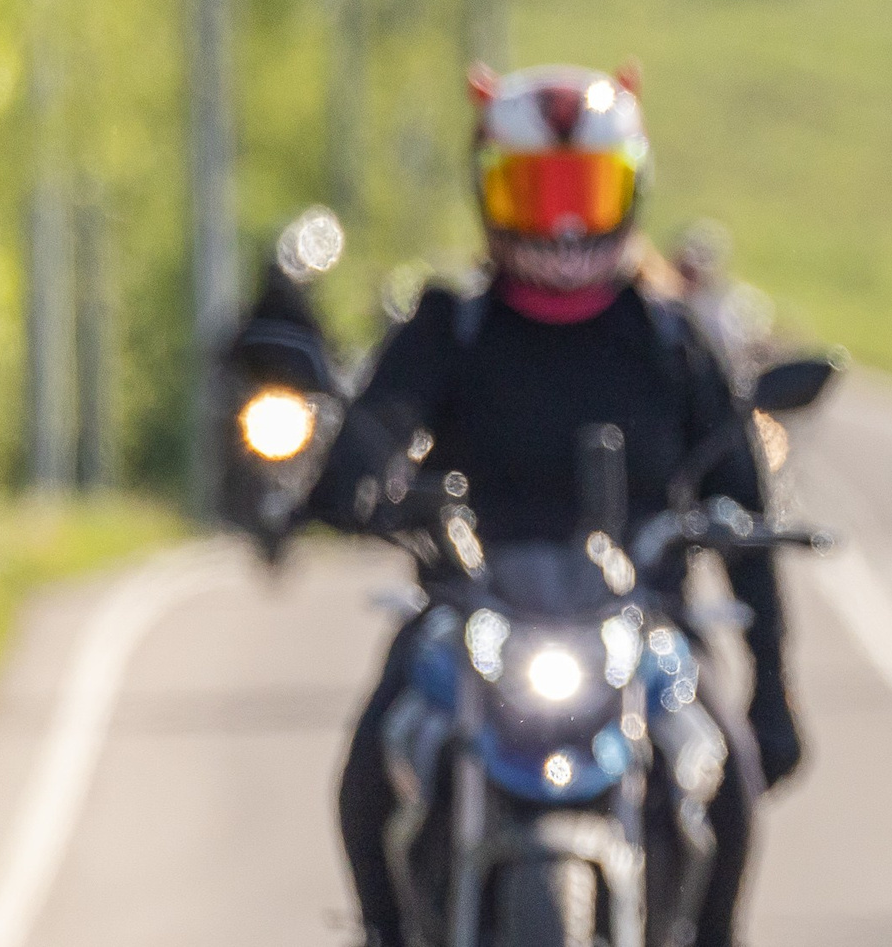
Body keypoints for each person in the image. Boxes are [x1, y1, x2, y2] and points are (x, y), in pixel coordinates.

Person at [308, 63, 803, 947]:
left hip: (642, 620)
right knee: (369, 767)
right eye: (538, 192)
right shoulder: (449, 326)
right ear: (489, 193)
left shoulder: (670, 339)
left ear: (631, 190)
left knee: (729, 773)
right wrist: (354, 480)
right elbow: (376, 424)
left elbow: (743, 501)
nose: (564, 222)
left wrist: (772, 680)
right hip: (468, 614)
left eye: (585, 191)